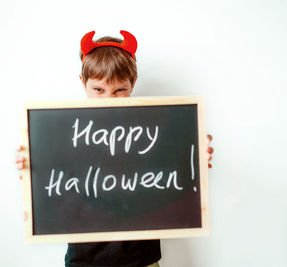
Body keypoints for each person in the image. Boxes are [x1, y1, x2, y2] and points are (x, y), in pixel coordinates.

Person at [15, 30, 214, 267]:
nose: (109, 98)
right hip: (84, 259)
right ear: (83, 82)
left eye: (119, 90)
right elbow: (51, 188)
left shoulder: (154, 134)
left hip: (141, 258)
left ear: (133, 84)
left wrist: (193, 159)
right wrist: (31, 167)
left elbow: (172, 183)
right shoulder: (64, 134)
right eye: (98, 90)